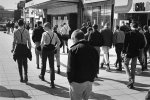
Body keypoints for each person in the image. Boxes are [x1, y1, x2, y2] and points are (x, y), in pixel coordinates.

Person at [67, 29, 99, 100]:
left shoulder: (73, 50)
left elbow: (70, 68)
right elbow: (96, 65)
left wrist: (70, 81)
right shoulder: (93, 49)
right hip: (89, 81)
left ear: (75, 38)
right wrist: (92, 78)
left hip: (77, 82)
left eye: (72, 39)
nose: (72, 41)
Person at [123, 22, 146, 89]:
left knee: (125, 64)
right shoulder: (140, 35)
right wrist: (139, 48)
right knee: (133, 68)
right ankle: (131, 84)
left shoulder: (128, 34)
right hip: (136, 52)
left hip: (129, 52)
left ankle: (129, 78)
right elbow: (143, 44)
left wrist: (124, 51)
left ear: (131, 26)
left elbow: (125, 44)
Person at [39, 22, 60, 88]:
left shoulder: (44, 34)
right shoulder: (55, 34)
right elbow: (59, 42)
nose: (43, 28)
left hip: (45, 50)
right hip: (51, 50)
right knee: (52, 66)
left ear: (47, 27)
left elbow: (42, 43)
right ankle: (52, 82)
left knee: (43, 64)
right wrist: (55, 47)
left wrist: (41, 50)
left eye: (44, 27)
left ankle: (42, 76)